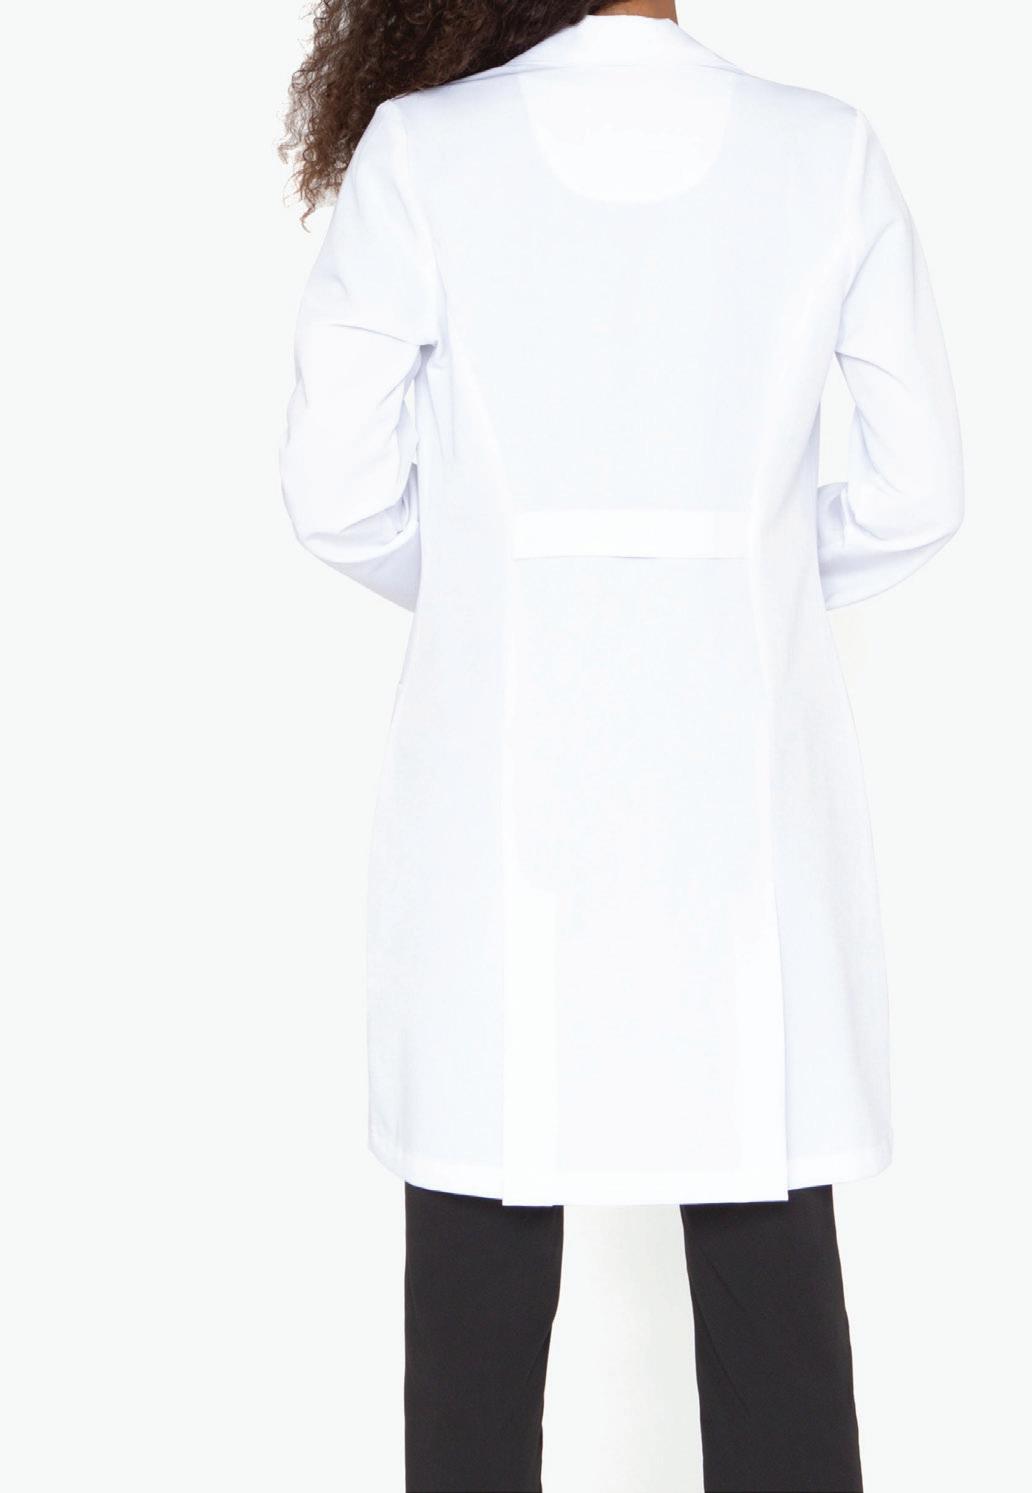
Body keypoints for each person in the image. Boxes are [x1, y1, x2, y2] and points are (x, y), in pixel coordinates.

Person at [279, 0, 963, 1487]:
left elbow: (335, 492)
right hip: (743, 817)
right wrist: (745, 574)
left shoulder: (423, 153)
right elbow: (916, 493)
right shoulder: (825, 153)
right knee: (775, 1289)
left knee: (473, 1304)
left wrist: (504, 580)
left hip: (494, 811)